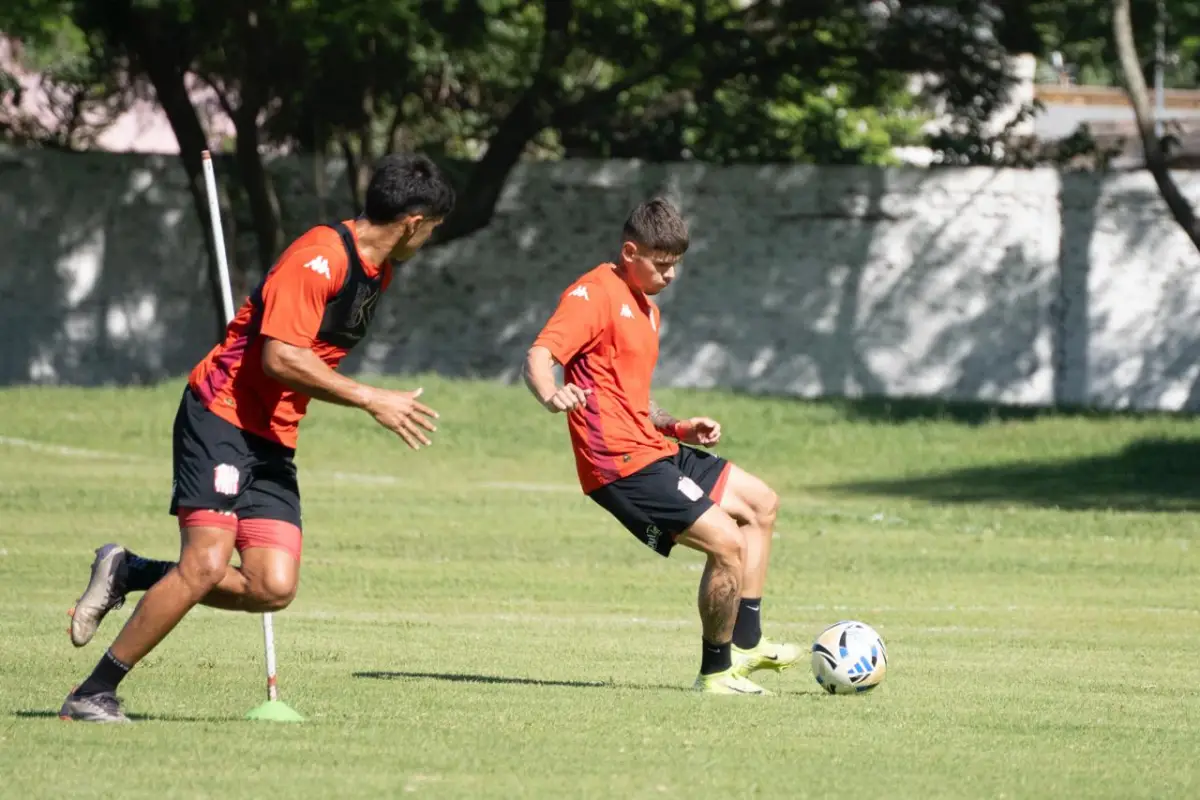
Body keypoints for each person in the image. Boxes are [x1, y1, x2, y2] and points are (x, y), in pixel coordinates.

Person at [59, 153, 455, 722]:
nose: (431, 239)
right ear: (414, 222)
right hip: (220, 417)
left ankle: (132, 571)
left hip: (273, 437)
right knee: (204, 563)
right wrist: (371, 398)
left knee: (272, 585)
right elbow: (279, 357)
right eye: (434, 228)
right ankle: (91, 694)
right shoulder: (319, 259)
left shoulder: (377, 270)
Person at [523, 198, 798, 695]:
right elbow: (541, 354)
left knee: (761, 504)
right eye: (661, 263)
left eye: (676, 264)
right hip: (619, 465)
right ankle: (715, 673)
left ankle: (748, 643)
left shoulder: (647, 310)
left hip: (654, 448)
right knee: (727, 543)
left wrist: (678, 427)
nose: (671, 275)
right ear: (631, 251)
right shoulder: (592, 295)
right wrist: (550, 392)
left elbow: (633, 398)